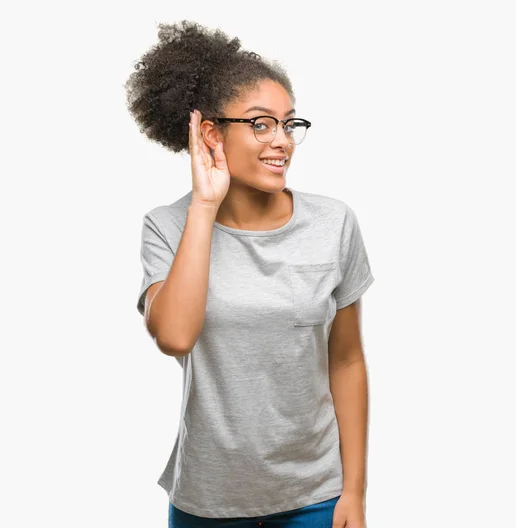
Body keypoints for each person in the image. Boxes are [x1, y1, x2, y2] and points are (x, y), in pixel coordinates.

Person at [125, 21, 375, 528]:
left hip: (315, 495)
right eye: (261, 124)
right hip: (207, 500)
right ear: (210, 133)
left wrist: (354, 492)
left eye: (289, 123)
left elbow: (346, 360)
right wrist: (204, 205)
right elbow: (174, 335)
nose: (282, 140)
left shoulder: (333, 224)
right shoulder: (167, 226)